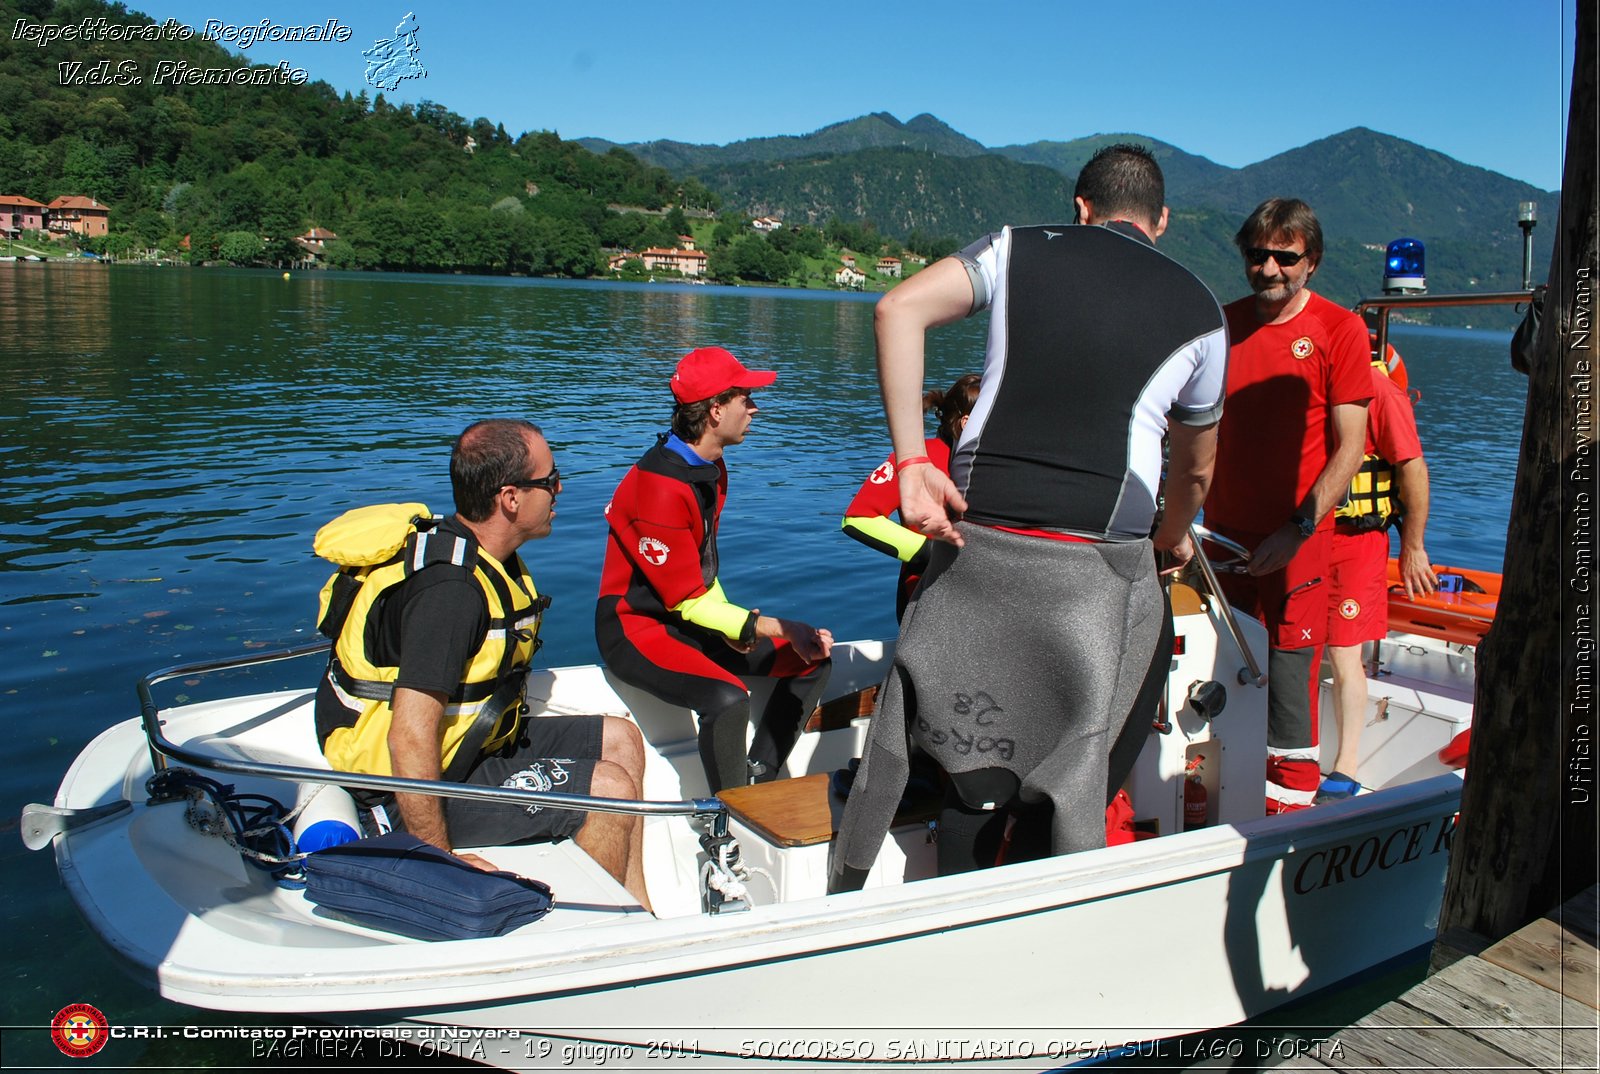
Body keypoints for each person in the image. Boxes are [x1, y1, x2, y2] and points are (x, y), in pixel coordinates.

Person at [830, 144, 1228, 890]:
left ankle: (930, 907)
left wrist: (915, 463)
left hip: (977, 549)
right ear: (1162, 221)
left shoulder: (1016, 248)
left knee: (969, 774)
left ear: (1080, 207)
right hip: (1099, 569)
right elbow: (1197, 466)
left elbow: (898, 308)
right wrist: (1171, 541)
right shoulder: (1203, 311)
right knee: (1084, 764)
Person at [315, 419, 652, 910]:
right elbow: (409, 736)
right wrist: (437, 860)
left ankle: (639, 908)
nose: (560, 488)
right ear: (510, 498)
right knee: (607, 789)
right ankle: (602, 934)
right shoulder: (451, 594)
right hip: (407, 790)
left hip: (467, 753)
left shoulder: (487, 557)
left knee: (620, 738)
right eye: (549, 480)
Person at [595, 347, 834, 794]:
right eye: (746, 397)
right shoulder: (660, 486)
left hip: (687, 618)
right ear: (716, 410)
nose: (755, 407)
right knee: (726, 699)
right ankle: (730, 816)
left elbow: (702, 571)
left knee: (810, 658)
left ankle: (759, 777)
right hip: (636, 628)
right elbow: (685, 598)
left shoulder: (710, 468)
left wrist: (737, 627)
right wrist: (760, 625)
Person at [1203, 198, 1373, 814]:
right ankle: (1221, 807)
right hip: (1219, 539)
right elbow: (1191, 432)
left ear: (1312, 262)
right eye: (1257, 255)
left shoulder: (1341, 330)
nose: (1270, 268)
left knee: (1290, 691)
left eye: (1285, 256)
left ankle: (1290, 821)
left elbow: (1350, 450)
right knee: (1221, 677)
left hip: (1298, 545)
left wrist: (1299, 528)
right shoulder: (1221, 326)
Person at [1320, 360, 1437, 800]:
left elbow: (1414, 470)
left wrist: (1413, 546)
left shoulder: (1381, 392)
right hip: (1306, 535)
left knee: (1344, 650)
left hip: (1357, 542)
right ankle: (1288, 747)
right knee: (1290, 640)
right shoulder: (1310, 379)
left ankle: (1346, 764)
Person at [841, 373, 981, 620]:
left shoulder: (1002, 466)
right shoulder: (916, 459)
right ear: (966, 422)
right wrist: (930, 552)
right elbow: (858, 519)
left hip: (981, 598)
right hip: (924, 597)